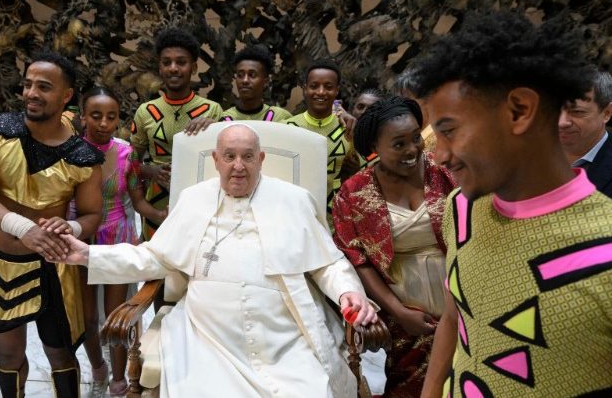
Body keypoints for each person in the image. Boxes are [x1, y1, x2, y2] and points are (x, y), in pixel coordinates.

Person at [55, 123, 379, 397]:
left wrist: (347, 292)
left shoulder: (294, 200)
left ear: (261, 160)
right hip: (207, 334)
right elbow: (153, 257)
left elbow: (327, 263)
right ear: (215, 160)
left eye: (248, 157)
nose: (238, 166)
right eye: (229, 156)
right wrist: (87, 254)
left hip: (283, 334)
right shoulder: (193, 200)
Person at [411, 11, 612, 397]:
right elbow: (456, 316)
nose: (440, 155)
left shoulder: (604, 247)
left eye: (449, 131)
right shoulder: (461, 209)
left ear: (520, 110)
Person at [0, 51, 104, 397]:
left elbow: (91, 214)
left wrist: (70, 228)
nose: (31, 93)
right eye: (27, 85)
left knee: (61, 354)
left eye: (43, 87)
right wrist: (23, 227)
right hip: (1, 263)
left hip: (54, 266)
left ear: (66, 95)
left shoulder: (83, 156)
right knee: (8, 355)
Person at [333, 96, 456, 396]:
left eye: (416, 138)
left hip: (461, 302)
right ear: (375, 147)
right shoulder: (354, 193)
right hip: (404, 313)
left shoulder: (446, 172)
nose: (412, 149)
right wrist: (399, 312)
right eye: (399, 144)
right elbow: (358, 261)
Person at [76, 86, 167, 397]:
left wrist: (161, 214)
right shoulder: (68, 151)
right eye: (96, 115)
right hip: (81, 240)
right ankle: (97, 369)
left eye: (111, 117)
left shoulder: (127, 153)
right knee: (88, 318)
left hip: (117, 239)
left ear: (118, 120)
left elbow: (138, 201)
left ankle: (118, 380)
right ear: (83, 116)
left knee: (116, 315)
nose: (104, 123)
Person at [131, 27, 223, 241]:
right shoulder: (145, 111)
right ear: (160, 67)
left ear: (194, 67)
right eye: (167, 62)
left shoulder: (212, 111)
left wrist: (215, 129)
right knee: (155, 258)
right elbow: (131, 162)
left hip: (201, 203)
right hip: (156, 205)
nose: (173, 68)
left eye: (181, 62)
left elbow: (225, 160)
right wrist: (150, 171)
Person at [284, 59, 358, 217]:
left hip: (335, 218)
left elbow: (362, 170)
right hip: (295, 214)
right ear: (305, 89)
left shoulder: (348, 128)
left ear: (337, 90)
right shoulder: (287, 127)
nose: (321, 92)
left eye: (328, 87)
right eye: (314, 86)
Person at [559, 70, 612, 197]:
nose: (561, 122)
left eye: (576, 112)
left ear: (606, 113)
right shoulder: (528, 154)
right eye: (554, 111)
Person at [221, 44, 293, 122]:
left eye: (252, 75)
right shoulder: (224, 120)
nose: (245, 80)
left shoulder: (280, 118)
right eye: (240, 75)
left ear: (266, 81)